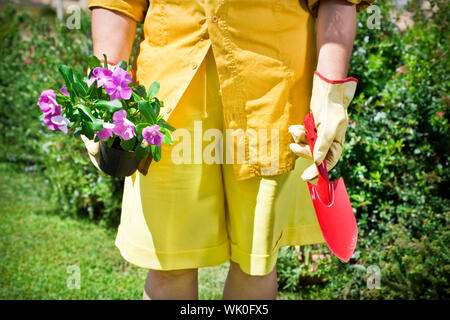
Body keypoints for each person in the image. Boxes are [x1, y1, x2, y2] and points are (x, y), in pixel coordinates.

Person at [83, 0, 373, 300]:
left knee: (255, 263)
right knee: (168, 262)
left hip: (270, 95)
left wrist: (331, 91)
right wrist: (107, 86)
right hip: (166, 99)